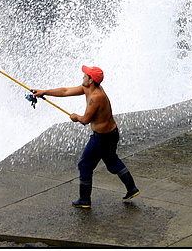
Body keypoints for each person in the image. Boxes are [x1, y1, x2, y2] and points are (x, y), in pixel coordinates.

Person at [32, 66, 139, 208]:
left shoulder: (96, 98)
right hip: (111, 134)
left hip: (102, 138)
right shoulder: (88, 88)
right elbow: (65, 91)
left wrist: (76, 117)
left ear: (91, 80)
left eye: (85, 75)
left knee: (85, 165)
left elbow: (85, 120)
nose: (83, 77)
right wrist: (44, 92)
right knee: (112, 160)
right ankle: (132, 189)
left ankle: (84, 200)